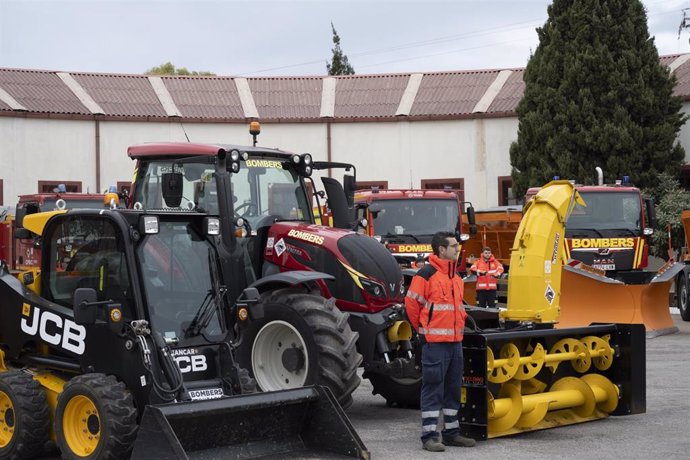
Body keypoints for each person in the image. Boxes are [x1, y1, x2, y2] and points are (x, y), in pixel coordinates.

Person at [405, 231, 476, 452]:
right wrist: (423, 331)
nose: (458, 249)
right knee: (433, 388)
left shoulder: (456, 277)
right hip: (435, 343)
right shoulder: (425, 275)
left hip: (455, 342)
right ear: (441, 250)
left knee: (453, 389)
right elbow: (411, 305)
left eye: (457, 245)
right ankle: (429, 436)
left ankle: (451, 433)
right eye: (453, 246)